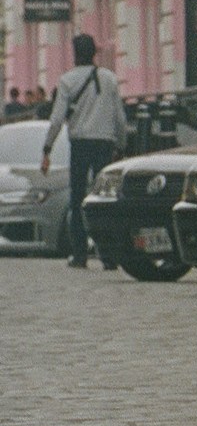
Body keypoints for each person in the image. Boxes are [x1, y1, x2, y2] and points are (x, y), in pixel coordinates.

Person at [40, 34, 126, 269]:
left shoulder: (67, 81)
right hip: (105, 144)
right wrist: (122, 144)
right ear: (94, 53)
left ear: (75, 53)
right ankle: (108, 255)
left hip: (80, 144)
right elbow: (119, 116)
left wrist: (47, 148)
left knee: (78, 198)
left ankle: (80, 254)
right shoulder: (109, 78)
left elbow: (57, 119)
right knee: (106, 198)